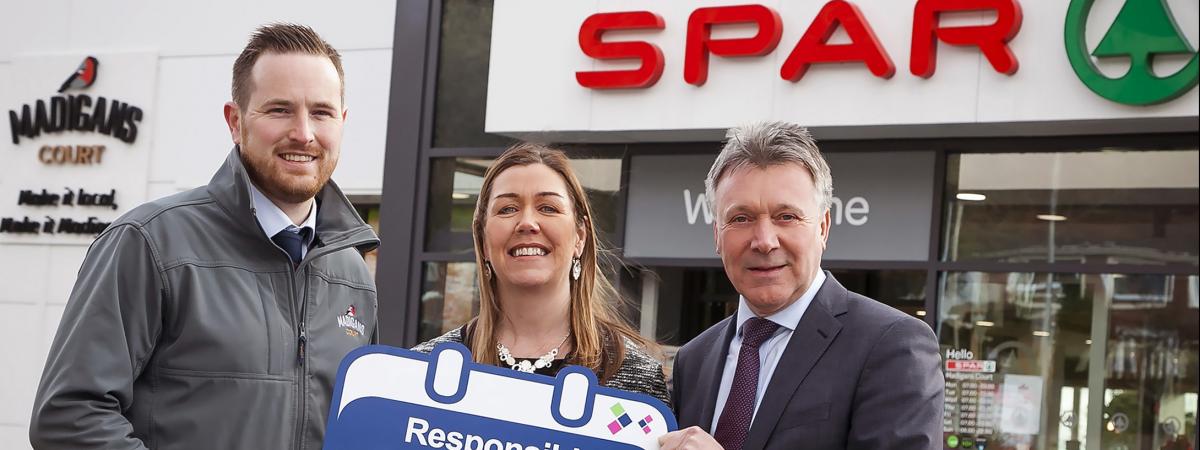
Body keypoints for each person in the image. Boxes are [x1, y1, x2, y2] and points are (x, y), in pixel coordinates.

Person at [29, 23, 379, 449]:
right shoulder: (150, 244)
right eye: (279, 110)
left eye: (321, 112)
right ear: (236, 122)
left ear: (341, 122)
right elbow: (69, 416)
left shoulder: (352, 273)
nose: (303, 132)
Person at [659, 122, 943, 450]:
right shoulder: (693, 360)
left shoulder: (891, 347)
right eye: (741, 218)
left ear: (823, 228)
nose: (764, 241)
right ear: (717, 236)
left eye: (786, 217)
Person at [413, 142, 669, 406]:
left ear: (580, 237)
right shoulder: (424, 369)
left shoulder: (635, 377)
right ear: (483, 240)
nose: (527, 223)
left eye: (548, 208)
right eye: (507, 209)